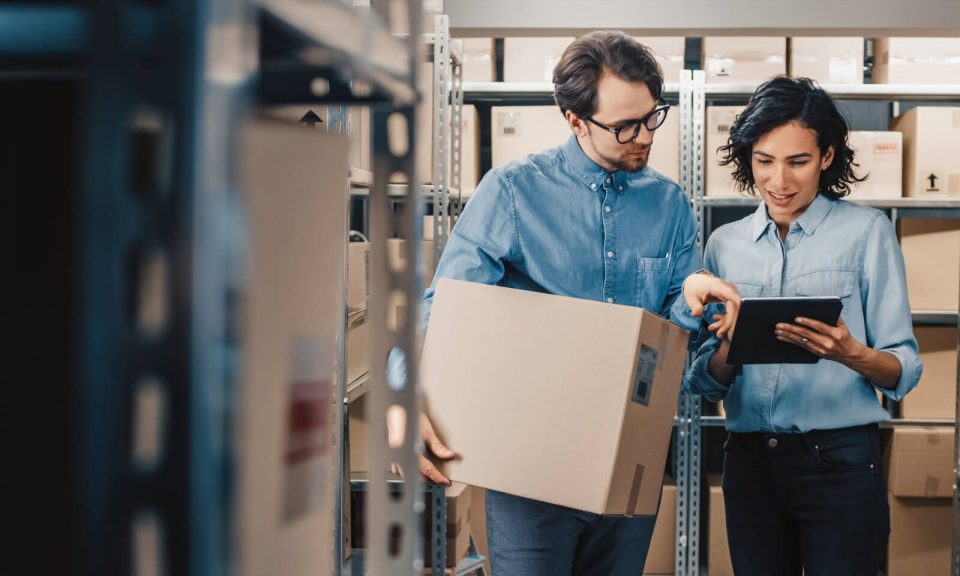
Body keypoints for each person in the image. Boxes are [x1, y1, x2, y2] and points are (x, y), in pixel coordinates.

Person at [414, 31, 740, 575]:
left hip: (628, 462)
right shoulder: (514, 193)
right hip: (529, 469)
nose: (644, 138)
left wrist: (689, 303)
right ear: (574, 120)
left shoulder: (670, 206)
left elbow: (675, 350)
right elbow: (444, 309)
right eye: (623, 127)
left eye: (651, 117)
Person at [683, 76, 923, 576]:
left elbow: (903, 369)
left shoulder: (866, 233)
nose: (779, 182)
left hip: (840, 460)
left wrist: (848, 352)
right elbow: (704, 382)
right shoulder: (724, 245)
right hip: (749, 463)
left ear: (828, 157)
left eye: (798, 162)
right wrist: (729, 344)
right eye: (764, 161)